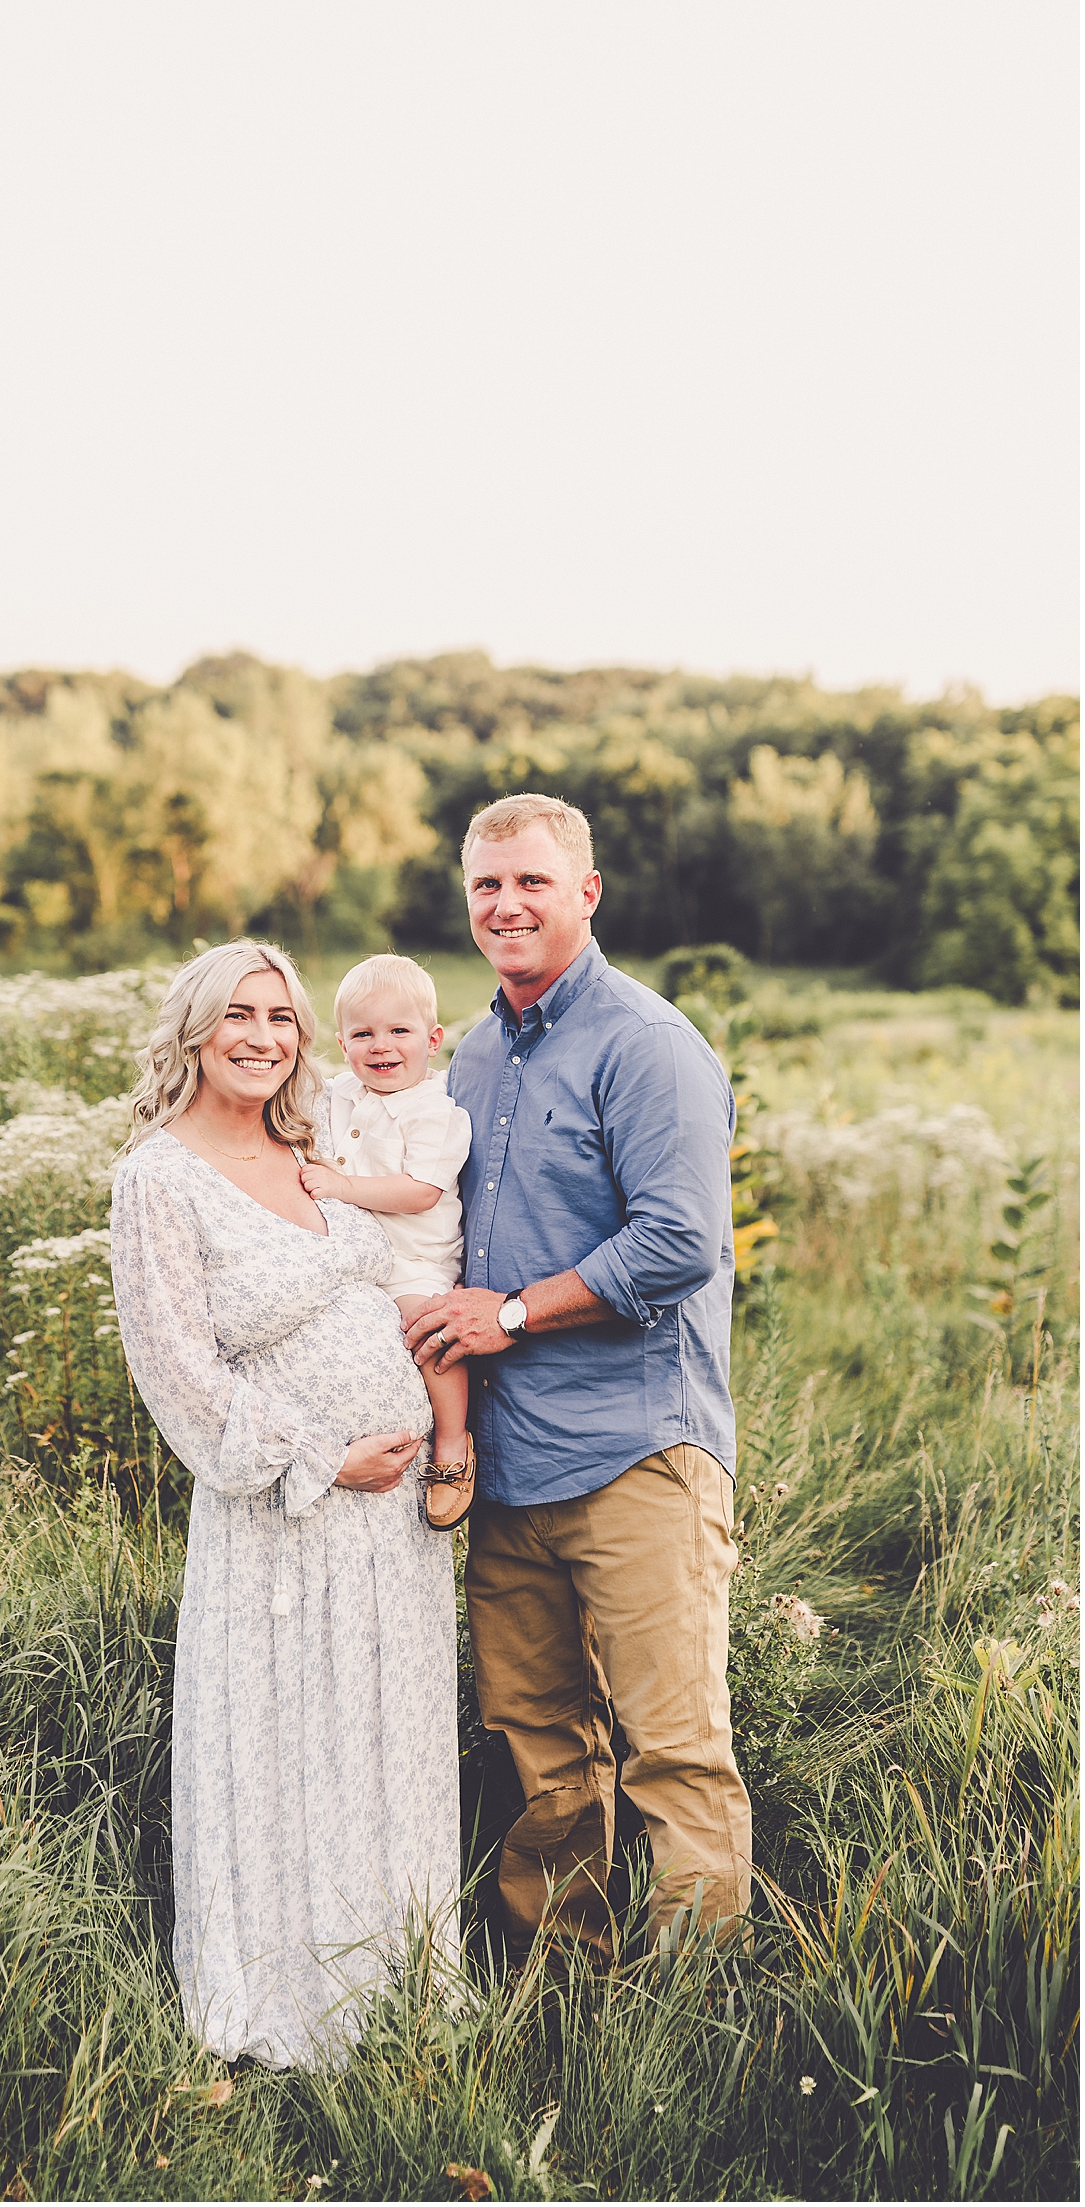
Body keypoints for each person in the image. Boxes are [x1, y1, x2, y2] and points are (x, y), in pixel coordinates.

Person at [404, 792, 752, 1959]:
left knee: (674, 1747)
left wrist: (508, 1313)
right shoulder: (471, 1051)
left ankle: (689, 2024)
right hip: (510, 1467)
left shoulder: (645, 1045)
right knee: (541, 1749)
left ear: (586, 895)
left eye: (532, 883)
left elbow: (677, 1242)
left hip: (638, 1452)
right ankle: (562, 1988)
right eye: (486, 887)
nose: (505, 905)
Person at [109, 940, 459, 2068]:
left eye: (281, 1017)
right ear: (194, 1032)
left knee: (388, 1746)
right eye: (238, 1016)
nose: (262, 1036)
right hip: (284, 1516)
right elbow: (176, 1374)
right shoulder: (157, 1178)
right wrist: (319, 1457)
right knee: (288, 1748)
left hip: (392, 1524)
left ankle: (397, 1987)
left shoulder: (313, 1146)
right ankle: (286, 2007)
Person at [298, 954, 477, 1529]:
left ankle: (452, 1445)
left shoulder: (437, 1110)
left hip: (413, 1257)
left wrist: (344, 1187)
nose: (382, 1046)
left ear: (433, 1038)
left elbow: (423, 1191)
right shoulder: (340, 1093)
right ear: (342, 1042)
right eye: (363, 1033)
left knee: (427, 1329)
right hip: (350, 1253)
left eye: (400, 1031)